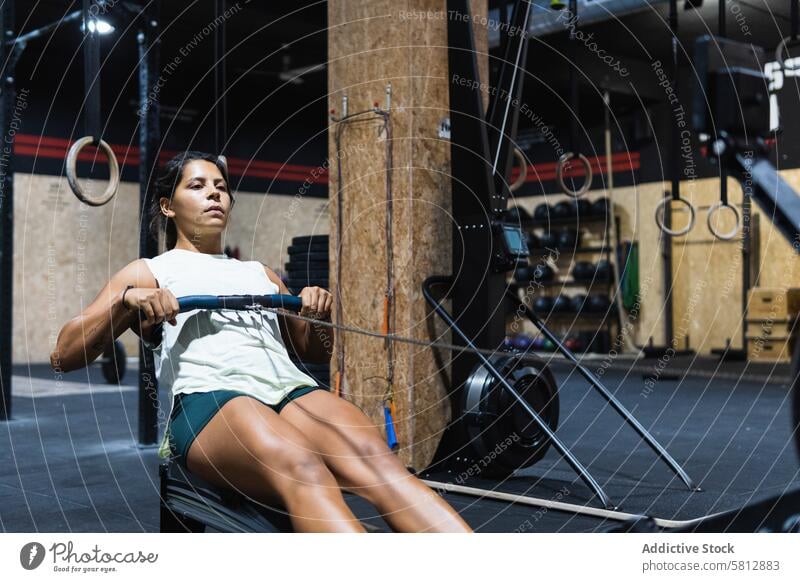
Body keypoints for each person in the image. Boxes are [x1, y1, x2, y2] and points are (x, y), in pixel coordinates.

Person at [50, 151, 472, 533]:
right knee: (302, 466)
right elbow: (63, 356)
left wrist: (316, 315)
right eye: (197, 187)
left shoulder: (260, 273)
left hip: (290, 391)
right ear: (168, 207)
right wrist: (127, 301)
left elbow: (312, 352)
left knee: (377, 462)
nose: (214, 195)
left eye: (220, 188)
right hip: (212, 398)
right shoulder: (148, 270)